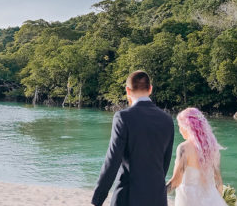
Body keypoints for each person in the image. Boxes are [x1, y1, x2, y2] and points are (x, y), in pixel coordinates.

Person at [91, 70, 175, 206]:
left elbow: (112, 160)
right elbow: (165, 163)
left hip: (129, 196)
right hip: (157, 197)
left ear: (127, 90)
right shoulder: (167, 119)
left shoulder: (123, 117)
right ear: (150, 89)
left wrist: (98, 199)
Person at [166, 108, 227, 206]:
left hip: (189, 199)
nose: (180, 130)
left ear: (187, 127)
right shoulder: (213, 148)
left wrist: (158, 193)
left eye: (180, 126)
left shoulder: (184, 148)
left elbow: (176, 181)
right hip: (211, 198)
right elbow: (218, 181)